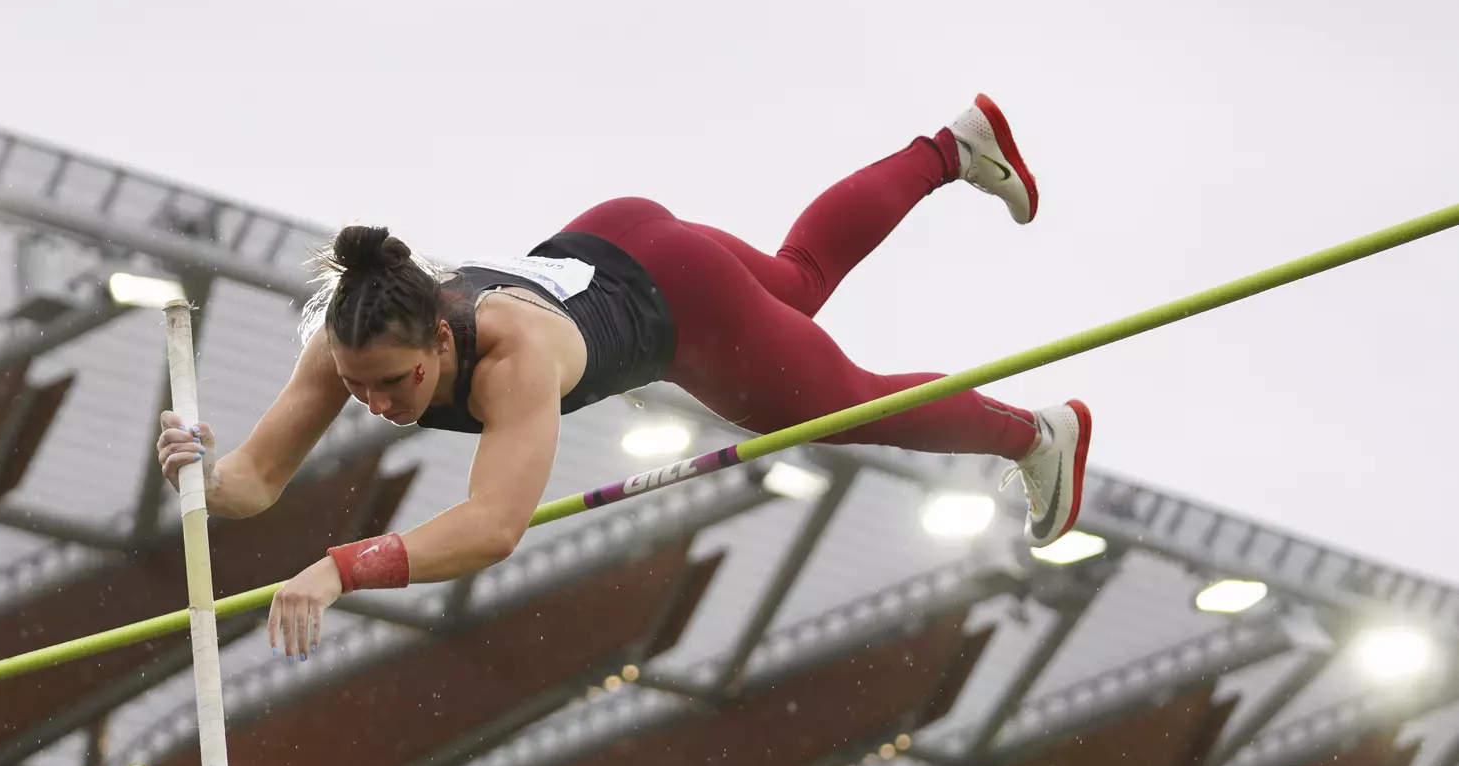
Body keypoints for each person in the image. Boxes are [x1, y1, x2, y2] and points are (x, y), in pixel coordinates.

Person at [157, 94, 1091, 663]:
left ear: (441, 340)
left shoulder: (510, 362)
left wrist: (340, 569)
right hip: (622, 232)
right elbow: (254, 483)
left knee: (846, 408)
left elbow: (493, 528)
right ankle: (954, 146)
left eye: (395, 384)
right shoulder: (353, 333)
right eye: (360, 389)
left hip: (683, 306)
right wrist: (201, 465)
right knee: (801, 283)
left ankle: (1036, 435)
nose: (376, 405)